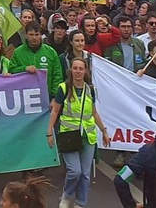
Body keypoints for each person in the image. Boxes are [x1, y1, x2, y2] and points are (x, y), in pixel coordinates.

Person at [46, 58, 109, 208]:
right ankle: (67, 196)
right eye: (75, 68)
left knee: (85, 174)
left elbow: (93, 112)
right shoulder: (63, 88)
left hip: (88, 135)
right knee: (75, 171)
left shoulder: (90, 89)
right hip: (69, 135)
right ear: (71, 70)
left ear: (85, 71)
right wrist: (49, 131)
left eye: (81, 68)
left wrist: (104, 130)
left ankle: (80, 203)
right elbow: (55, 110)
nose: (78, 71)